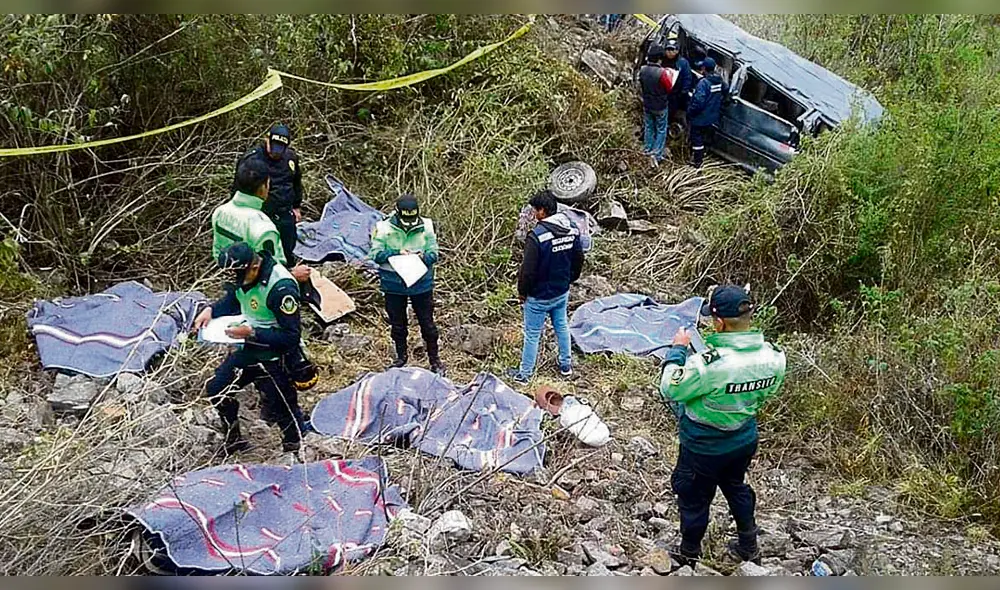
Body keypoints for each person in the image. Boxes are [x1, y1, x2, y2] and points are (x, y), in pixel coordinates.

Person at [658, 285, 786, 566]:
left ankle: (688, 554)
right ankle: (748, 544)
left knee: (693, 498)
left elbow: (670, 388)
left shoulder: (709, 365)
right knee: (735, 485)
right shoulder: (774, 356)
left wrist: (678, 351)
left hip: (703, 446)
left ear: (718, 322)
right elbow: (767, 392)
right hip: (743, 439)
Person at [193, 242, 307, 455]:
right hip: (251, 350)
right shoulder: (245, 276)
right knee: (217, 389)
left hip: (277, 356)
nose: (237, 280)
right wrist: (211, 310)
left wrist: (251, 332)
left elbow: (291, 336)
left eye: (239, 274)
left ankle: (296, 450)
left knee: (283, 409)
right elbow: (234, 298)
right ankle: (233, 438)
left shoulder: (281, 288)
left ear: (254, 267)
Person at [507, 190, 584, 384]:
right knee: (562, 326)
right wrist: (570, 279)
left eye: (534, 210)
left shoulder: (537, 236)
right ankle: (566, 365)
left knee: (532, 334)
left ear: (542, 211)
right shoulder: (572, 229)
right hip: (561, 291)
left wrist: (522, 293)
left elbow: (527, 271)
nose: (533, 214)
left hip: (538, 297)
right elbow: (579, 258)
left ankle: (524, 375)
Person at [369, 194, 444, 375]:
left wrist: (422, 257)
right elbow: (375, 254)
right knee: (398, 324)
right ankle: (401, 358)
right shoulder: (383, 227)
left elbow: (434, 252)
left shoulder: (426, 225)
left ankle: (435, 361)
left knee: (428, 324)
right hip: (394, 283)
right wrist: (396, 253)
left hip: (420, 282)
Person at [233, 123, 304, 266]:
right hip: (261, 215)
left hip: (285, 214)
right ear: (267, 139)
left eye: (280, 149)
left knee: (287, 253)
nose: (275, 152)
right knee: (262, 257)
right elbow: (238, 188)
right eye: (274, 146)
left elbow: (296, 182)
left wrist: (296, 206)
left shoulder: (290, 158)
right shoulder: (252, 160)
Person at [687, 57, 729, 168]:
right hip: (713, 117)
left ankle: (697, 162)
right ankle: (703, 155)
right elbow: (726, 91)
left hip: (700, 118)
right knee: (706, 138)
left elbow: (699, 102)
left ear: (704, 68)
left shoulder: (703, 83)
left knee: (697, 140)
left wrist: (690, 111)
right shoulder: (719, 81)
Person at [638, 44, 675, 166]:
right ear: (660, 58)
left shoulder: (642, 70)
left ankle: (647, 150)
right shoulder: (662, 73)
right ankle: (656, 154)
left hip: (648, 104)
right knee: (661, 129)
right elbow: (669, 87)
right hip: (660, 106)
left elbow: (641, 85)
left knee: (649, 127)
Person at [663, 38, 694, 132]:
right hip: (661, 93)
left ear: (677, 50)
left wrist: (683, 93)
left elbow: (687, 78)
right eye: (668, 49)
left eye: (672, 50)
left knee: (668, 115)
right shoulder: (662, 60)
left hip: (674, 95)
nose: (670, 52)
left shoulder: (682, 63)